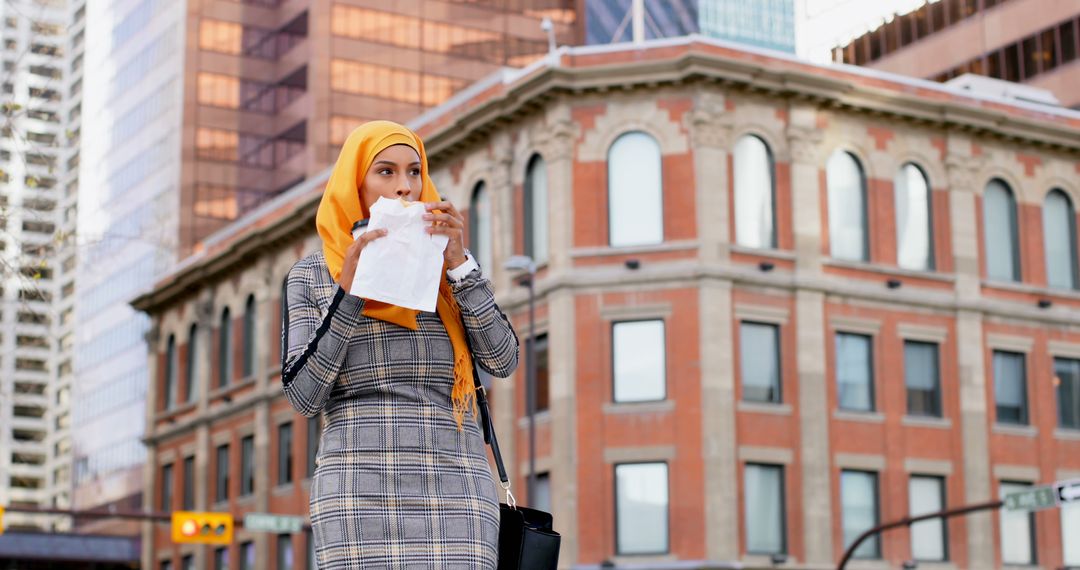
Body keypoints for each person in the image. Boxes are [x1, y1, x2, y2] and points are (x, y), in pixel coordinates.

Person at [281, 120, 519, 568]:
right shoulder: (312, 276)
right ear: (357, 183)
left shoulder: (449, 271)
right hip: (357, 495)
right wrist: (350, 293)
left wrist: (459, 265)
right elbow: (303, 396)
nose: (405, 187)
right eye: (386, 172)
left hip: (458, 492)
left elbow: (503, 360)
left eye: (414, 172)